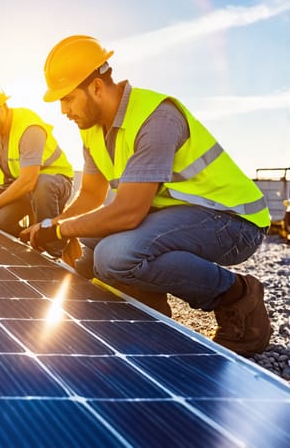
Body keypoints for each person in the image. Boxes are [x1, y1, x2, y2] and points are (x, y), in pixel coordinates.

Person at [21, 34, 272, 355]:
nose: (63, 110)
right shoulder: (92, 129)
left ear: (96, 87)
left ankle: (237, 296)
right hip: (182, 214)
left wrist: (58, 229)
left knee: (114, 256)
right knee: (94, 244)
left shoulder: (156, 118)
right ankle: (145, 303)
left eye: (68, 98)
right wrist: (53, 226)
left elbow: (128, 212)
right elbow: (91, 195)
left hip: (234, 221)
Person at [0, 82, 74, 256]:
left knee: (42, 185)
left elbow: (29, 180)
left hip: (54, 183)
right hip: (20, 189)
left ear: (0, 110)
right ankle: (28, 245)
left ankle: (54, 251)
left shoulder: (29, 127)